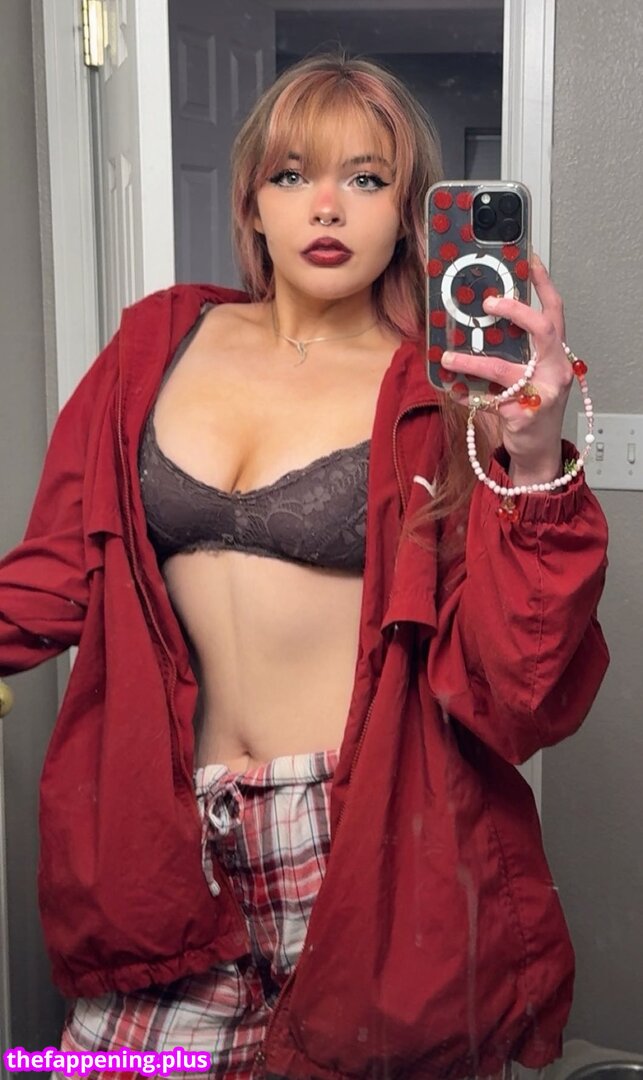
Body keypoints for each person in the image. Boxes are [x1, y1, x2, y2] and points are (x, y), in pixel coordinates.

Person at [0, 52, 608, 1080]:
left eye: (365, 179)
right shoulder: (153, 346)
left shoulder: (442, 393)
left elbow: (520, 686)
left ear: (408, 213)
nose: (326, 206)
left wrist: (536, 451)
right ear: (251, 200)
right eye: (292, 175)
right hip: (167, 836)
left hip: (369, 842)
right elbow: (57, 574)